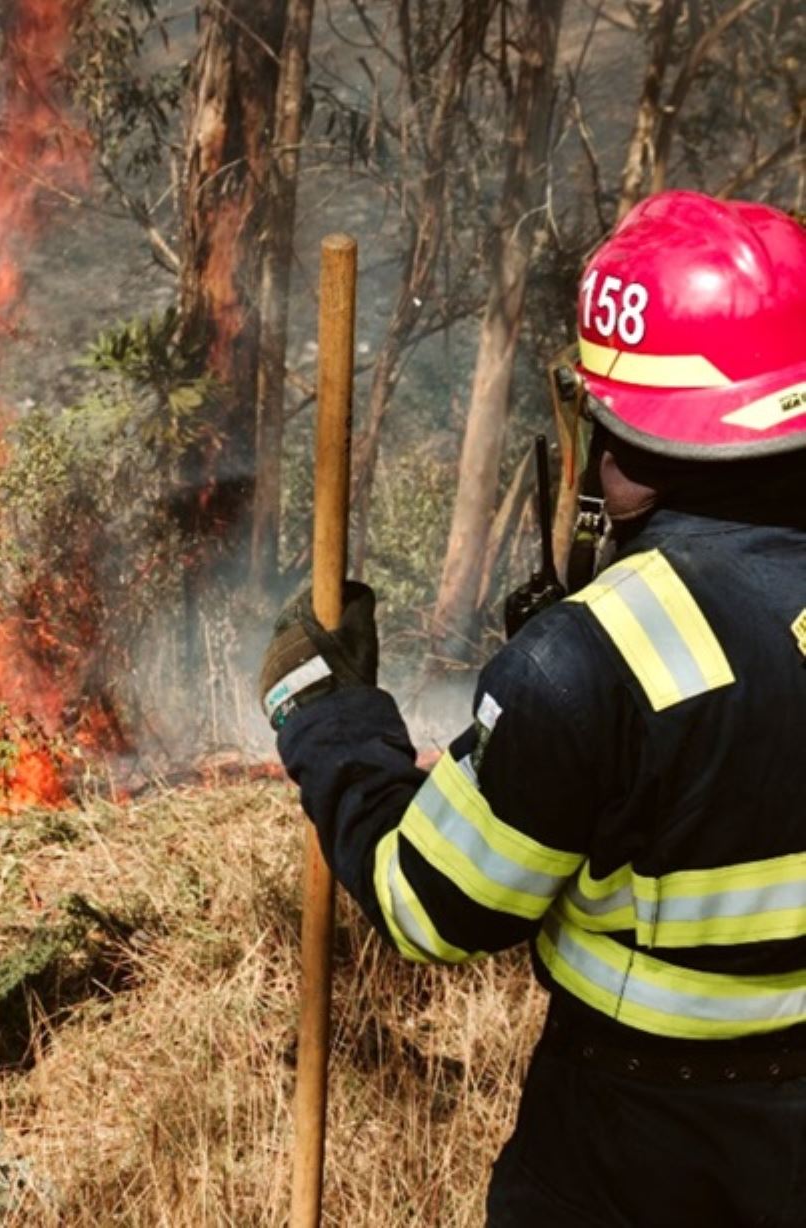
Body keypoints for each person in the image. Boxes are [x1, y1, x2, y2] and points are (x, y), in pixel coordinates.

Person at [260, 190, 806, 1224]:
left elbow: (432, 901)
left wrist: (324, 710)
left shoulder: (590, 659)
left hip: (635, 1143)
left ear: (623, 445)